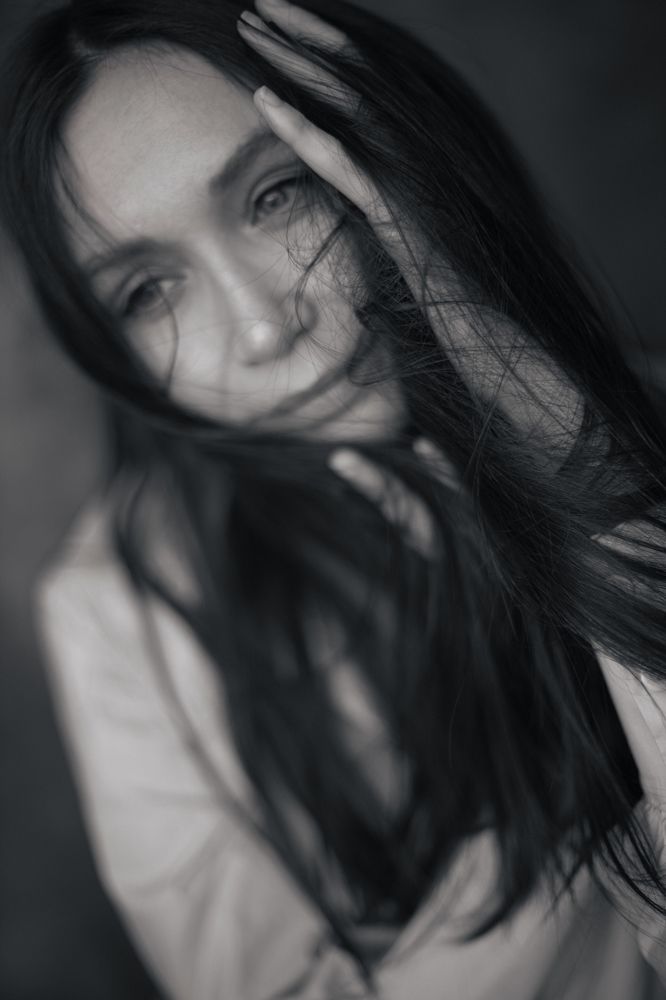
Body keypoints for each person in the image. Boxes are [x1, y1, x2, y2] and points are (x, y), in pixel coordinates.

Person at [2, 0, 666, 996]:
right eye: (147, 291)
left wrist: (588, 489)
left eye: (280, 194)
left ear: (394, 162)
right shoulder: (124, 609)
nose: (262, 328)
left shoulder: (640, 434)